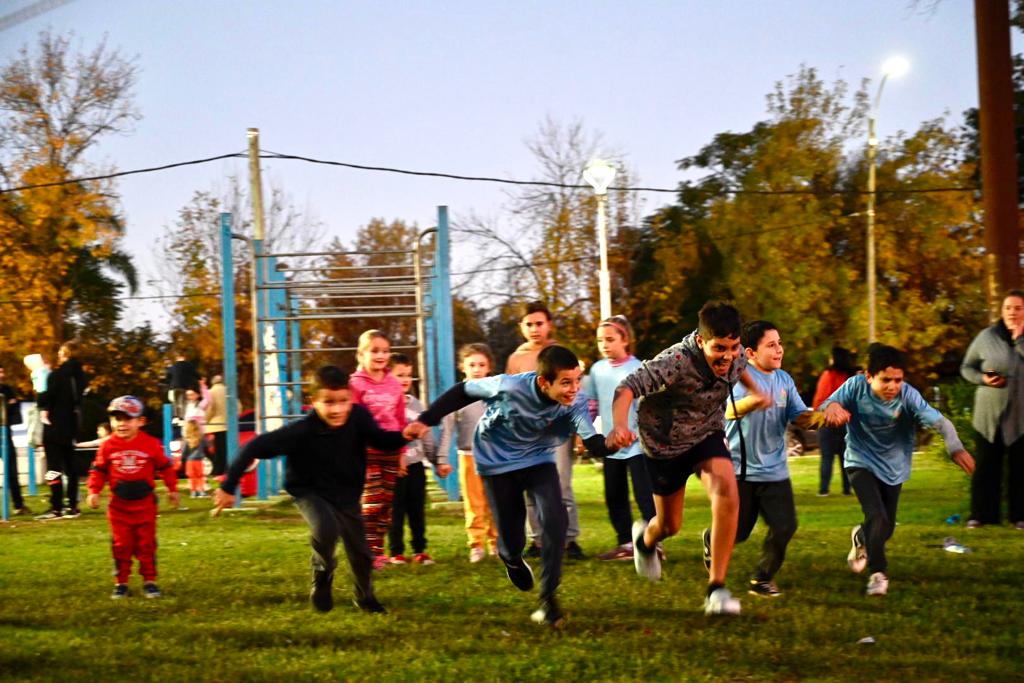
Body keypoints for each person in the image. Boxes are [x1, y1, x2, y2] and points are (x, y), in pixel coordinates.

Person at [405, 345, 612, 627]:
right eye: (566, 382)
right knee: (512, 539)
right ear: (544, 381)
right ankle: (511, 558)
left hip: (538, 460)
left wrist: (613, 442)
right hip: (496, 463)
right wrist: (426, 420)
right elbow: (462, 391)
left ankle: (548, 598)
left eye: (577, 380)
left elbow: (593, 443)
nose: (574, 388)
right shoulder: (509, 386)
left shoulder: (575, 400)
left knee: (555, 520)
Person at [608, 301, 770, 616]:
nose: (727, 355)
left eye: (733, 347)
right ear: (700, 341)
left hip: (706, 434)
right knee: (670, 525)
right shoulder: (676, 362)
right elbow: (627, 387)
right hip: (664, 444)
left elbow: (741, 369)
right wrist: (618, 425)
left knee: (727, 490)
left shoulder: (735, 356)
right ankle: (645, 540)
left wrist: (756, 390)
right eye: (719, 348)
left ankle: (717, 589)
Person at [213, 365, 408, 614]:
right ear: (313, 401)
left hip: (346, 494)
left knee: (362, 553)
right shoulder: (301, 431)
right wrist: (229, 486)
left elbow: (381, 440)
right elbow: (252, 447)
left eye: (343, 401)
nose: (337, 409)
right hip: (309, 492)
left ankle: (365, 597)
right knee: (326, 528)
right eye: (328, 402)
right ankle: (322, 572)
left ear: (350, 398)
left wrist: (405, 435)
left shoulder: (358, 417)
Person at [820, 344, 975, 596]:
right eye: (885, 380)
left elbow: (941, 423)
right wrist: (831, 407)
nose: (892, 386)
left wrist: (956, 448)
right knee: (877, 516)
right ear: (868, 376)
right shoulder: (855, 386)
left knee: (886, 527)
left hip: (894, 466)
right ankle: (878, 573)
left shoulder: (908, 396)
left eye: (898, 380)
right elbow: (826, 404)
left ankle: (861, 537)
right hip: (860, 460)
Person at [723, 321, 823, 598]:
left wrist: (821, 418)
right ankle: (713, 538)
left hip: (775, 470)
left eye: (780, 343)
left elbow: (799, 416)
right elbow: (727, 412)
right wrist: (753, 401)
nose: (780, 349)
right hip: (739, 470)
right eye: (772, 345)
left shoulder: (784, 380)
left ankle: (762, 578)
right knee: (739, 532)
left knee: (785, 526)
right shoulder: (736, 376)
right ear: (751, 352)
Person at [505, 302, 585, 561]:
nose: (534, 329)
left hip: (557, 428)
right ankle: (537, 541)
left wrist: (581, 430)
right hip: (527, 432)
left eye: (539, 323)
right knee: (530, 486)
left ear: (548, 324)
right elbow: (510, 397)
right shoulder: (516, 359)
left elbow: (575, 393)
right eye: (529, 324)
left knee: (561, 484)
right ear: (521, 327)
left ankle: (569, 540)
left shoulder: (560, 354)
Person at [86, 396, 180, 598]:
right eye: (116, 419)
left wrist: (172, 489)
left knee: (146, 544)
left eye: (127, 419)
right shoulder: (107, 446)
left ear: (140, 421)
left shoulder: (151, 444)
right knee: (121, 545)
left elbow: (165, 467)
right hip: (119, 507)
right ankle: (121, 582)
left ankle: (150, 580)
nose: (121, 424)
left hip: (145, 506)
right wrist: (93, 491)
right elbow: (99, 470)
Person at [581, 316, 657, 562]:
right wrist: (588, 434)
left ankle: (653, 542)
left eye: (610, 339)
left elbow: (650, 404)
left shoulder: (639, 368)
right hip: (611, 444)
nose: (604, 345)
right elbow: (591, 404)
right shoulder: (597, 370)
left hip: (638, 444)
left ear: (625, 340)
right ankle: (625, 543)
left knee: (645, 494)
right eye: (600, 340)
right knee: (614, 495)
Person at [960, 290, 1024, 530]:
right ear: (1002, 311)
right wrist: (983, 378)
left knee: (1021, 467)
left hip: (1021, 415)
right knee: (986, 465)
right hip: (988, 414)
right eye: (1008, 308)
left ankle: (1020, 517)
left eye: (1018, 308)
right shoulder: (986, 337)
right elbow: (967, 367)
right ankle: (982, 515)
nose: (1012, 312)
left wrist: (1019, 341)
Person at [387, 353, 452, 564]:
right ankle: (396, 552)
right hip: (393, 469)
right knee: (394, 513)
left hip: (415, 468)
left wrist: (438, 462)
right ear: (387, 376)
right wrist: (396, 457)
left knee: (417, 511)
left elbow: (428, 440)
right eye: (400, 375)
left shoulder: (417, 406)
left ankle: (419, 551)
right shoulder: (385, 406)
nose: (406, 379)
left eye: (408, 375)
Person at [350, 329, 406, 569]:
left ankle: (377, 551)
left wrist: (403, 453)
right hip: (367, 450)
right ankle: (365, 551)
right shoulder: (355, 384)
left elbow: (401, 419)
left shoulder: (394, 384)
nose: (381, 355)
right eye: (374, 351)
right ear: (361, 354)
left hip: (391, 450)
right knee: (371, 502)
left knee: (385, 504)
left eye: (385, 351)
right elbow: (351, 420)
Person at [439, 343, 500, 562]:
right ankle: (476, 544)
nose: (476, 369)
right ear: (462, 367)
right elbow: (447, 429)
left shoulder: (497, 393)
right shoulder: (457, 396)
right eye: (471, 364)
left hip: (495, 457)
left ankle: (496, 543)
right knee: (474, 503)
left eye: (481, 364)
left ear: (489, 367)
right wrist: (442, 458)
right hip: (468, 456)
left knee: (496, 501)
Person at [36, 341, 87, 520]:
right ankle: (72, 506)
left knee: (53, 467)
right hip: (70, 426)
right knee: (70, 467)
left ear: (66, 353)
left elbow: (46, 398)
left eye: (60, 351)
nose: (58, 353)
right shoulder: (81, 376)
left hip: (54, 425)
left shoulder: (56, 376)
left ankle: (56, 506)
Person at [813, 346, 857, 496]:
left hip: (827, 421)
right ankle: (847, 489)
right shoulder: (850, 377)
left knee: (827, 456)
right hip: (845, 421)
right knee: (846, 457)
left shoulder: (828, 375)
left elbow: (820, 400)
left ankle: (824, 489)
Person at [0, 366, 29, 515]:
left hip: (4, 434)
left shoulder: (8, 390)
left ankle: (18, 505)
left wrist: (9, 407)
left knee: (12, 470)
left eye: (3, 371)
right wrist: (8, 405)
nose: (2, 375)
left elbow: (16, 414)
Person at [204, 374, 230, 477]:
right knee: (225, 450)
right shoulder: (229, 391)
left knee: (215, 450)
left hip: (215, 425)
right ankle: (225, 470)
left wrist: (205, 420)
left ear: (212, 382)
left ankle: (217, 470)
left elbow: (210, 409)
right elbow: (238, 406)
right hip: (228, 425)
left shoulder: (210, 392)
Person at [22, 353, 50, 449]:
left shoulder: (37, 372)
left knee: (37, 420)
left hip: (42, 400)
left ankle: (36, 441)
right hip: (45, 400)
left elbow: (40, 389)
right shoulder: (42, 372)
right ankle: (39, 440)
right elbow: (42, 388)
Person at [181, 420, 212, 498]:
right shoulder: (202, 438)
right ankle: (201, 491)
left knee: (192, 477)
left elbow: (184, 452)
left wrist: (183, 460)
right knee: (200, 477)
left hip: (189, 461)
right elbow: (208, 447)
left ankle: (193, 492)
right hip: (199, 460)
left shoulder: (186, 440)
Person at [164, 354, 199, 422]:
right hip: (183, 387)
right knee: (183, 402)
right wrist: (199, 378)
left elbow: (168, 376)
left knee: (175, 402)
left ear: (177, 358)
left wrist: (170, 382)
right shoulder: (187, 364)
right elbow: (195, 373)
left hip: (174, 387)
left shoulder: (173, 366)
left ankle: (175, 417)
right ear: (184, 357)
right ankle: (182, 418)